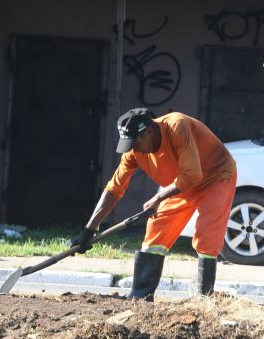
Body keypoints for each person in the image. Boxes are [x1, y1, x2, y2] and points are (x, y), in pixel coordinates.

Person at [71, 108, 237, 300]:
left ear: (149, 131)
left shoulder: (177, 125)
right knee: (157, 227)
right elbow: (114, 188)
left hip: (216, 177)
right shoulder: (134, 153)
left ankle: (203, 299)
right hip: (181, 184)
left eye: (136, 143)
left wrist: (158, 198)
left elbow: (193, 174)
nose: (135, 149)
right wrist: (89, 229)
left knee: (207, 234)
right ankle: (141, 296)